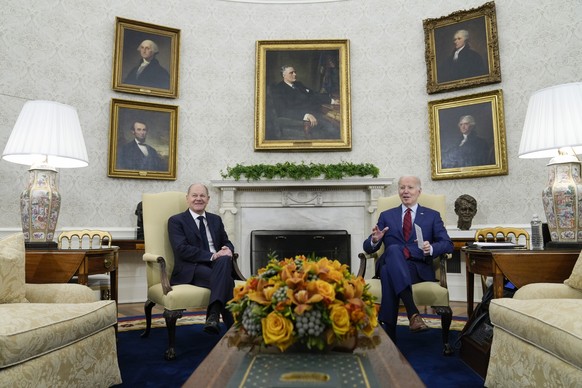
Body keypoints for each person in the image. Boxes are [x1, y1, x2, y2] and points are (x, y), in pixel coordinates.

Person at [363, 176, 453, 341]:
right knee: (394, 250)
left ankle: (390, 338)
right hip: (392, 261)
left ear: (419, 191)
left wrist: (431, 248)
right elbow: (368, 247)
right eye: (402, 188)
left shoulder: (432, 216)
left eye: (410, 187)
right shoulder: (386, 215)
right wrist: (375, 240)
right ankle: (413, 312)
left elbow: (447, 244)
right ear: (398, 191)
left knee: (387, 269)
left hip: (416, 268)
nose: (405, 191)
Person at [167, 183, 236, 334]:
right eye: (194, 195)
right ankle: (232, 329)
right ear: (187, 199)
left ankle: (213, 317)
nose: (198, 199)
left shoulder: (215, 219)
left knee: (224, 259)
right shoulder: (176, 221)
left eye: (202, 196)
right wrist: (212, 255)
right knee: (228, 281)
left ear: (208, 199)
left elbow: (226, 241)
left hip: (217, 265)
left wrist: (228, 249)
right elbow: (181, 249)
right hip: (192, 268)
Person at [270, 65, 340, 140]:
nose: (295, 74)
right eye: (291, 73)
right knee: (333, 129)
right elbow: (283, 110)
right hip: (303, 117)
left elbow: (313, 94)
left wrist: (332, 101)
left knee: (337, 121)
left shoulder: (298, 84)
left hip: (317, 111)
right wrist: (305, 115)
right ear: (284, 75)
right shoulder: (278, 89)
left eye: (295, 72)